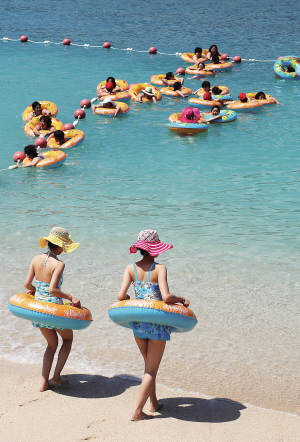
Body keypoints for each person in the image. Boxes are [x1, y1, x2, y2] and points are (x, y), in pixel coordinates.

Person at [117, 230, 190, 421]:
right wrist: (181, 299)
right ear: (155, 249)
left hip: (138, 324)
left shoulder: (130, 268)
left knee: (148, 366)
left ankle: (154, 402)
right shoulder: (160, 269)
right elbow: (166, 297)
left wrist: (127, 299)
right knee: (151, 369)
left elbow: (120, 296)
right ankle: (138, 411)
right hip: (157, 324)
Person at [24, 227, 80, 392]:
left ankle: (43, 382)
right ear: (61, 246)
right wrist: (71, 297)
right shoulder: (59, 264)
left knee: (51, 345)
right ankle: (56, 377)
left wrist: (35, 291)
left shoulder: (35, 259)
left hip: (40, 308)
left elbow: (27, 284)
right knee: (68, 340)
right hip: (55, 310)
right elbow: (53, 290)